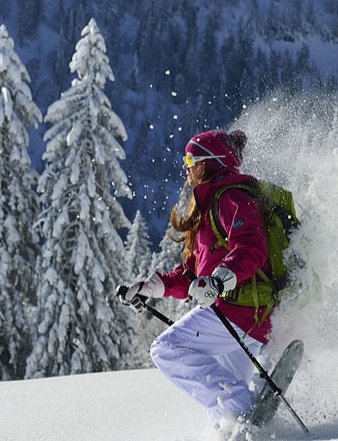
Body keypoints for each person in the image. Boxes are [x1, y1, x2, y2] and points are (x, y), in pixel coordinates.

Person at [117, 129, 274, 430]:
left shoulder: (232, 199)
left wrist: (218, 281)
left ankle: (244, 408)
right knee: (220, 405)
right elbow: (190, 275)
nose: (185, 166)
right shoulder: (209, 206)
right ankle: (237, 428)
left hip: (241, 311)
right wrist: (148, 289)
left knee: (166, 350)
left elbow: (250, 248)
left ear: (209, 162)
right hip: (242, 318)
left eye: (190, 159)